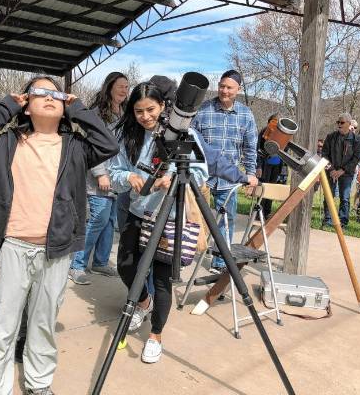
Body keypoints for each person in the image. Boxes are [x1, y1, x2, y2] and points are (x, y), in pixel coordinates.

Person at [0, 76, 118, 395]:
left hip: (56, 250)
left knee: (43, 323)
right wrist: (5, 105)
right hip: (14, 245)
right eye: (39, 93)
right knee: (3, 324)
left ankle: (38, 384)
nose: (48, 98)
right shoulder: (7, 143)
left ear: (65, 106)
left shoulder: (75, 147)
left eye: (55, 94)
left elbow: (108, 144)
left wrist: (81, 110)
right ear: (26, 105)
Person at [109, 82, 257, 364]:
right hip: (138, 211)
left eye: (150, 109)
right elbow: (115, 172)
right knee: (127, 267)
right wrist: (129, 178)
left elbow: (200, 173)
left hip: (170, 217)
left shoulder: (185, 134)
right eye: (138, 111)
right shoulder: (128, 136)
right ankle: (143, 303)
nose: (145, 116)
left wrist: (174, 181)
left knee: (162, 279)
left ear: (163, 107)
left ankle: (156, 335)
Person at [191, 69, 258, 274]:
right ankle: (185, 254)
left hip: (229, 178)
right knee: (193, 217)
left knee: (226, 220)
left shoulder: (246, 115)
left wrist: (251, 174)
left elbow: (250, 148)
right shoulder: (203, 110)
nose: (224, 90)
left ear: (238, 90)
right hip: (203, 176)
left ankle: (220, 263)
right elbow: (191, 141)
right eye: (221, 86)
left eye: (229, 87)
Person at [68, 71, 128, 285]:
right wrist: (100, 173)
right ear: (109, 87)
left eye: (127, 87)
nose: (124, 90)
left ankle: (101, 262)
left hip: (117, 177)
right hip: (98, 177)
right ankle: (77, 264)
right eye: (120, 85)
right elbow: (92, 145)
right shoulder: (97, 114)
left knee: (110, 220)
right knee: (98, 219)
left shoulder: (124, 114)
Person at [321, 113, 360, 228]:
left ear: (349, 124)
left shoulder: (356, 139)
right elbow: (324, 154)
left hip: (346, 173)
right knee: (329, 195)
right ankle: (328, 219)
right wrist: (332, 170)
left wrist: (342, 170)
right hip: (331, 171)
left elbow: (356, 158)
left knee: (345, 197)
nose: (339, 124)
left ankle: (342, 221)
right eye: (338, 122)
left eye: (342, 122)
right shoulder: (331, 137)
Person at [256, 113, 288, 219]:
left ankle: (267, 212)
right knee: (263, 189)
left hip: (277, 165)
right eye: (274, 121)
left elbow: (285, 152)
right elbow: (258, 150)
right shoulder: (263, 132)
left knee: (272, 189)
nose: (276, 124)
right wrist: (259, 166)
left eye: (278, 122)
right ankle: (258, 213)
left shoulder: (283, 134)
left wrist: (283, 170)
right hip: (265, 165)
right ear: (269, 121)